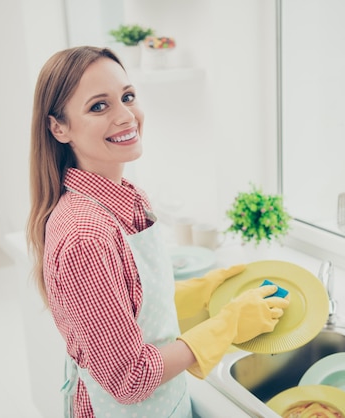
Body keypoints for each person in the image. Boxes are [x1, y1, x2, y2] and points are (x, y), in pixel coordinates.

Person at [26, 46, 290, 418]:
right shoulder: (85, 235)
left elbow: (130, 305)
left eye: (127, 97)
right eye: (98, 106)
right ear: (59, 127)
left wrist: (200, 292)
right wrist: (226, 325)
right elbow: (128, 378)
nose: (125, 116)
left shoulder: (126, 198)